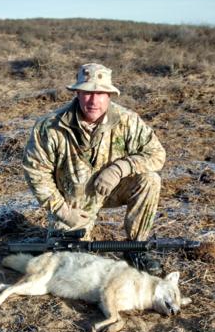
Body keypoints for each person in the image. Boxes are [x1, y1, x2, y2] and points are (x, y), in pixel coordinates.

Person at [23, 63, 166, 272]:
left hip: (110, 190)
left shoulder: (127, 120)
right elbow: (36, 172)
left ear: (109, 95)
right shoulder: (49, 126)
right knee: (70, 264)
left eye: (100, 93)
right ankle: (72, 231)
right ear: (77, 93)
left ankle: (136, 247)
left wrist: (120, 168)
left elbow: (157, 154)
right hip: (71, 203)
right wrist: (62, 211)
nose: (93, 100)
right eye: (87, 92)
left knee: (150, 180)